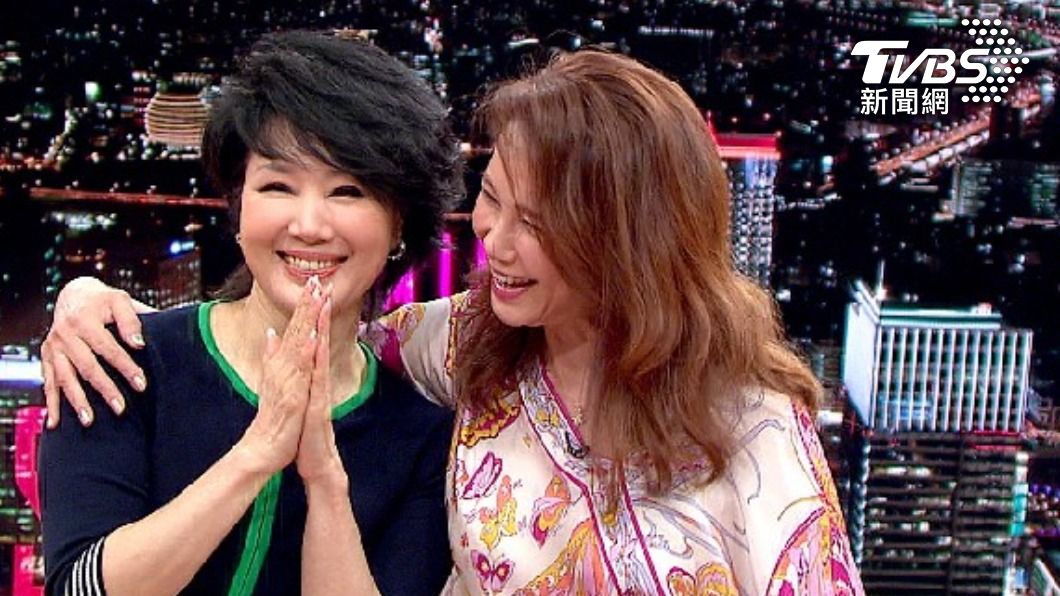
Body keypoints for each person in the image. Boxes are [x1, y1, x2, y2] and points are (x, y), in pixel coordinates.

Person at [43, 49, 864, 595]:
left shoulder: (750, 422)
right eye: (492, 200)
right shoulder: (463, 345)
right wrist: (93, 303)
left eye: (538, 223)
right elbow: (297, 329)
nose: (496, 243)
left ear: (629, 240)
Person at [38, 31, 460, 596]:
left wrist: (326, 483)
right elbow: (75, 586)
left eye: (347, 191)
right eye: (278, 185)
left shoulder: (419, 436)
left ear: (399, 224)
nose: (309, 226)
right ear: (239, 206)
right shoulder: (119, 360)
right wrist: (258, 452)